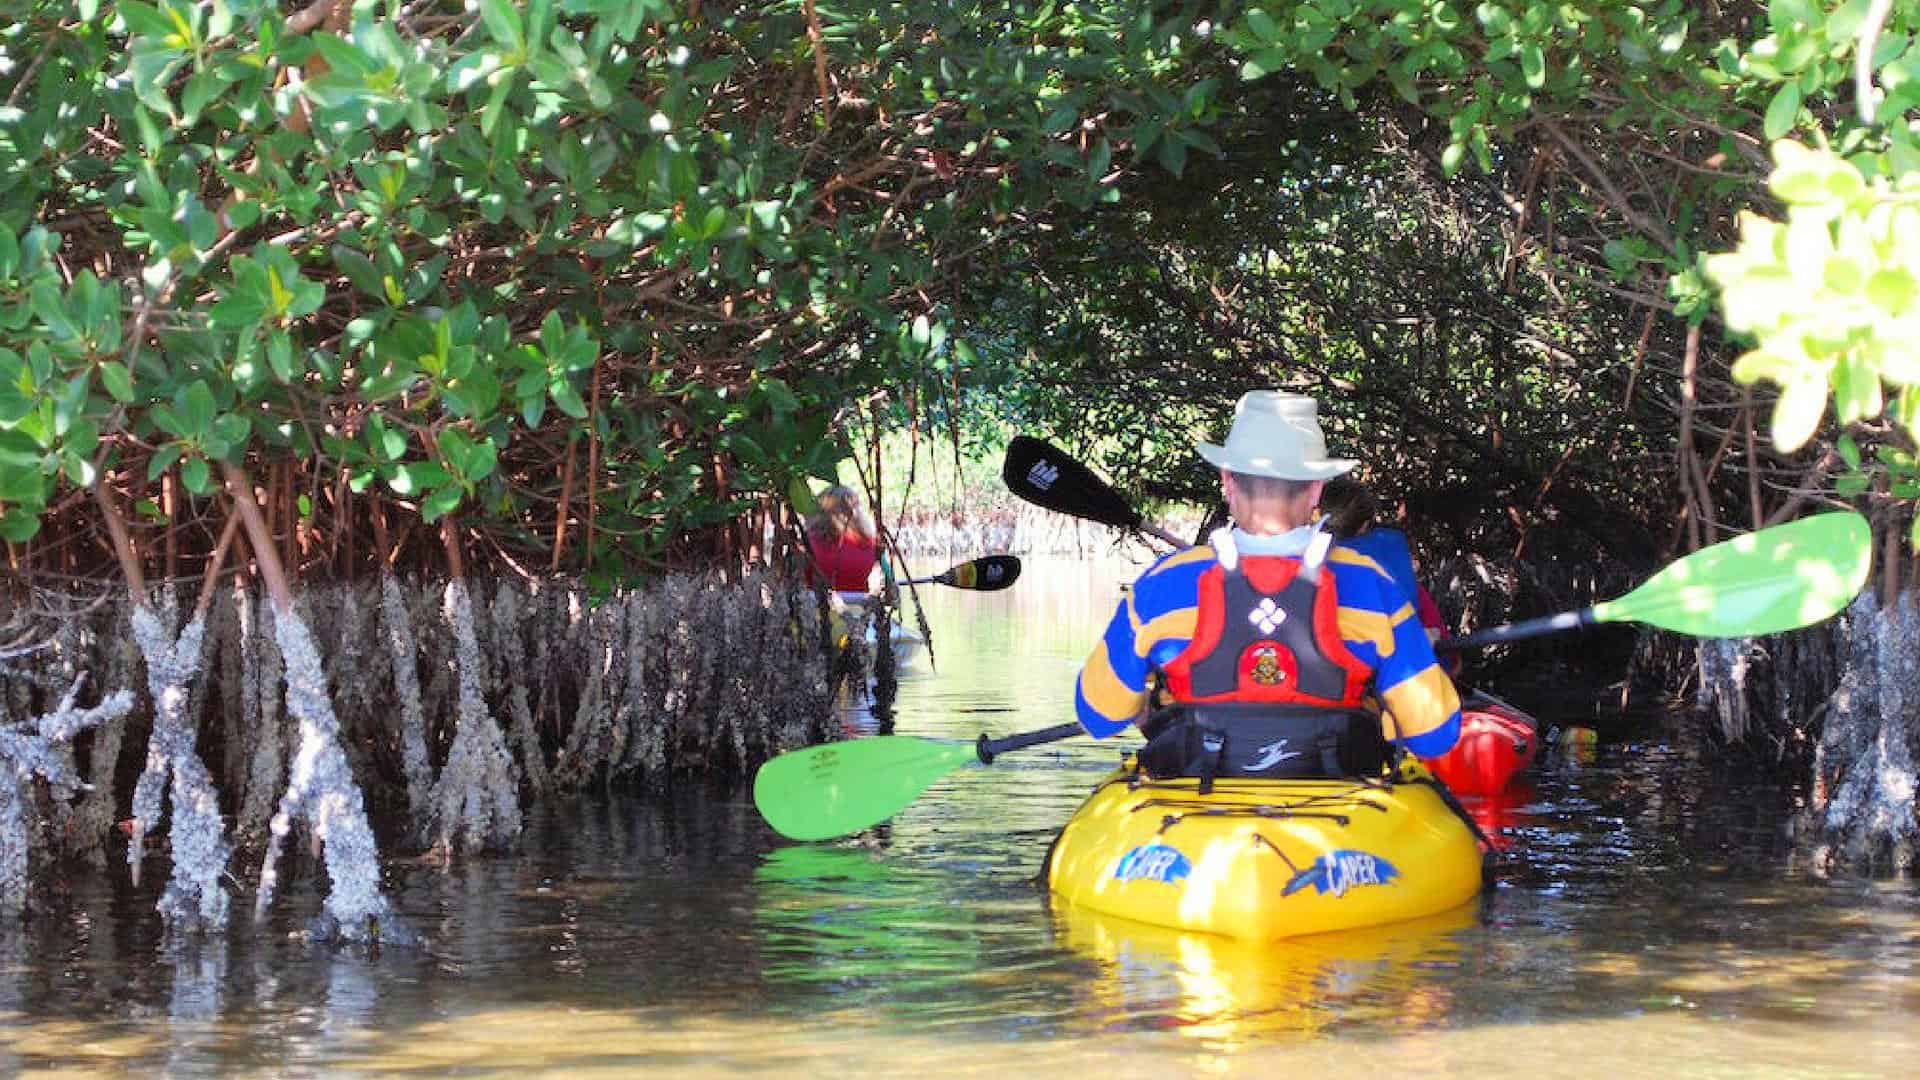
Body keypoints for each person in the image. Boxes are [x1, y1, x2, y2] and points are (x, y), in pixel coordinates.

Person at [1073, 391, 1461, 782]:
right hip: (1338, 803)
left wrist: (1148, 701)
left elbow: (1098, 716)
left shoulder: (1163, 583)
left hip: (1194, 805)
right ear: (1316, 489)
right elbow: (1434, 734)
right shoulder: (1371, 583)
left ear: (1227, 482)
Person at [805, 485, 880, 599]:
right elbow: (887, 580)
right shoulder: (873, 545)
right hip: (861, 612)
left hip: (817, 611)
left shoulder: (807, 544)